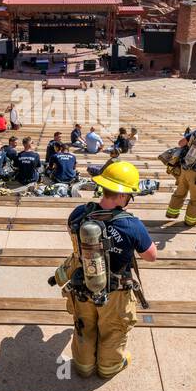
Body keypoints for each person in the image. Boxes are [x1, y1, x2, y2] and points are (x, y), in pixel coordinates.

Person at [54, 161, 156, 379]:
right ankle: (108, 368)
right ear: (121, 196)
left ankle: (83, 366)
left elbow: (74, 241)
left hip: (81, 286)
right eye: (129, 194)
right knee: (113, 332)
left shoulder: (79, 213)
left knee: (84, 327)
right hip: (115, 294)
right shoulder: (132, 226)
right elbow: (151, 256)